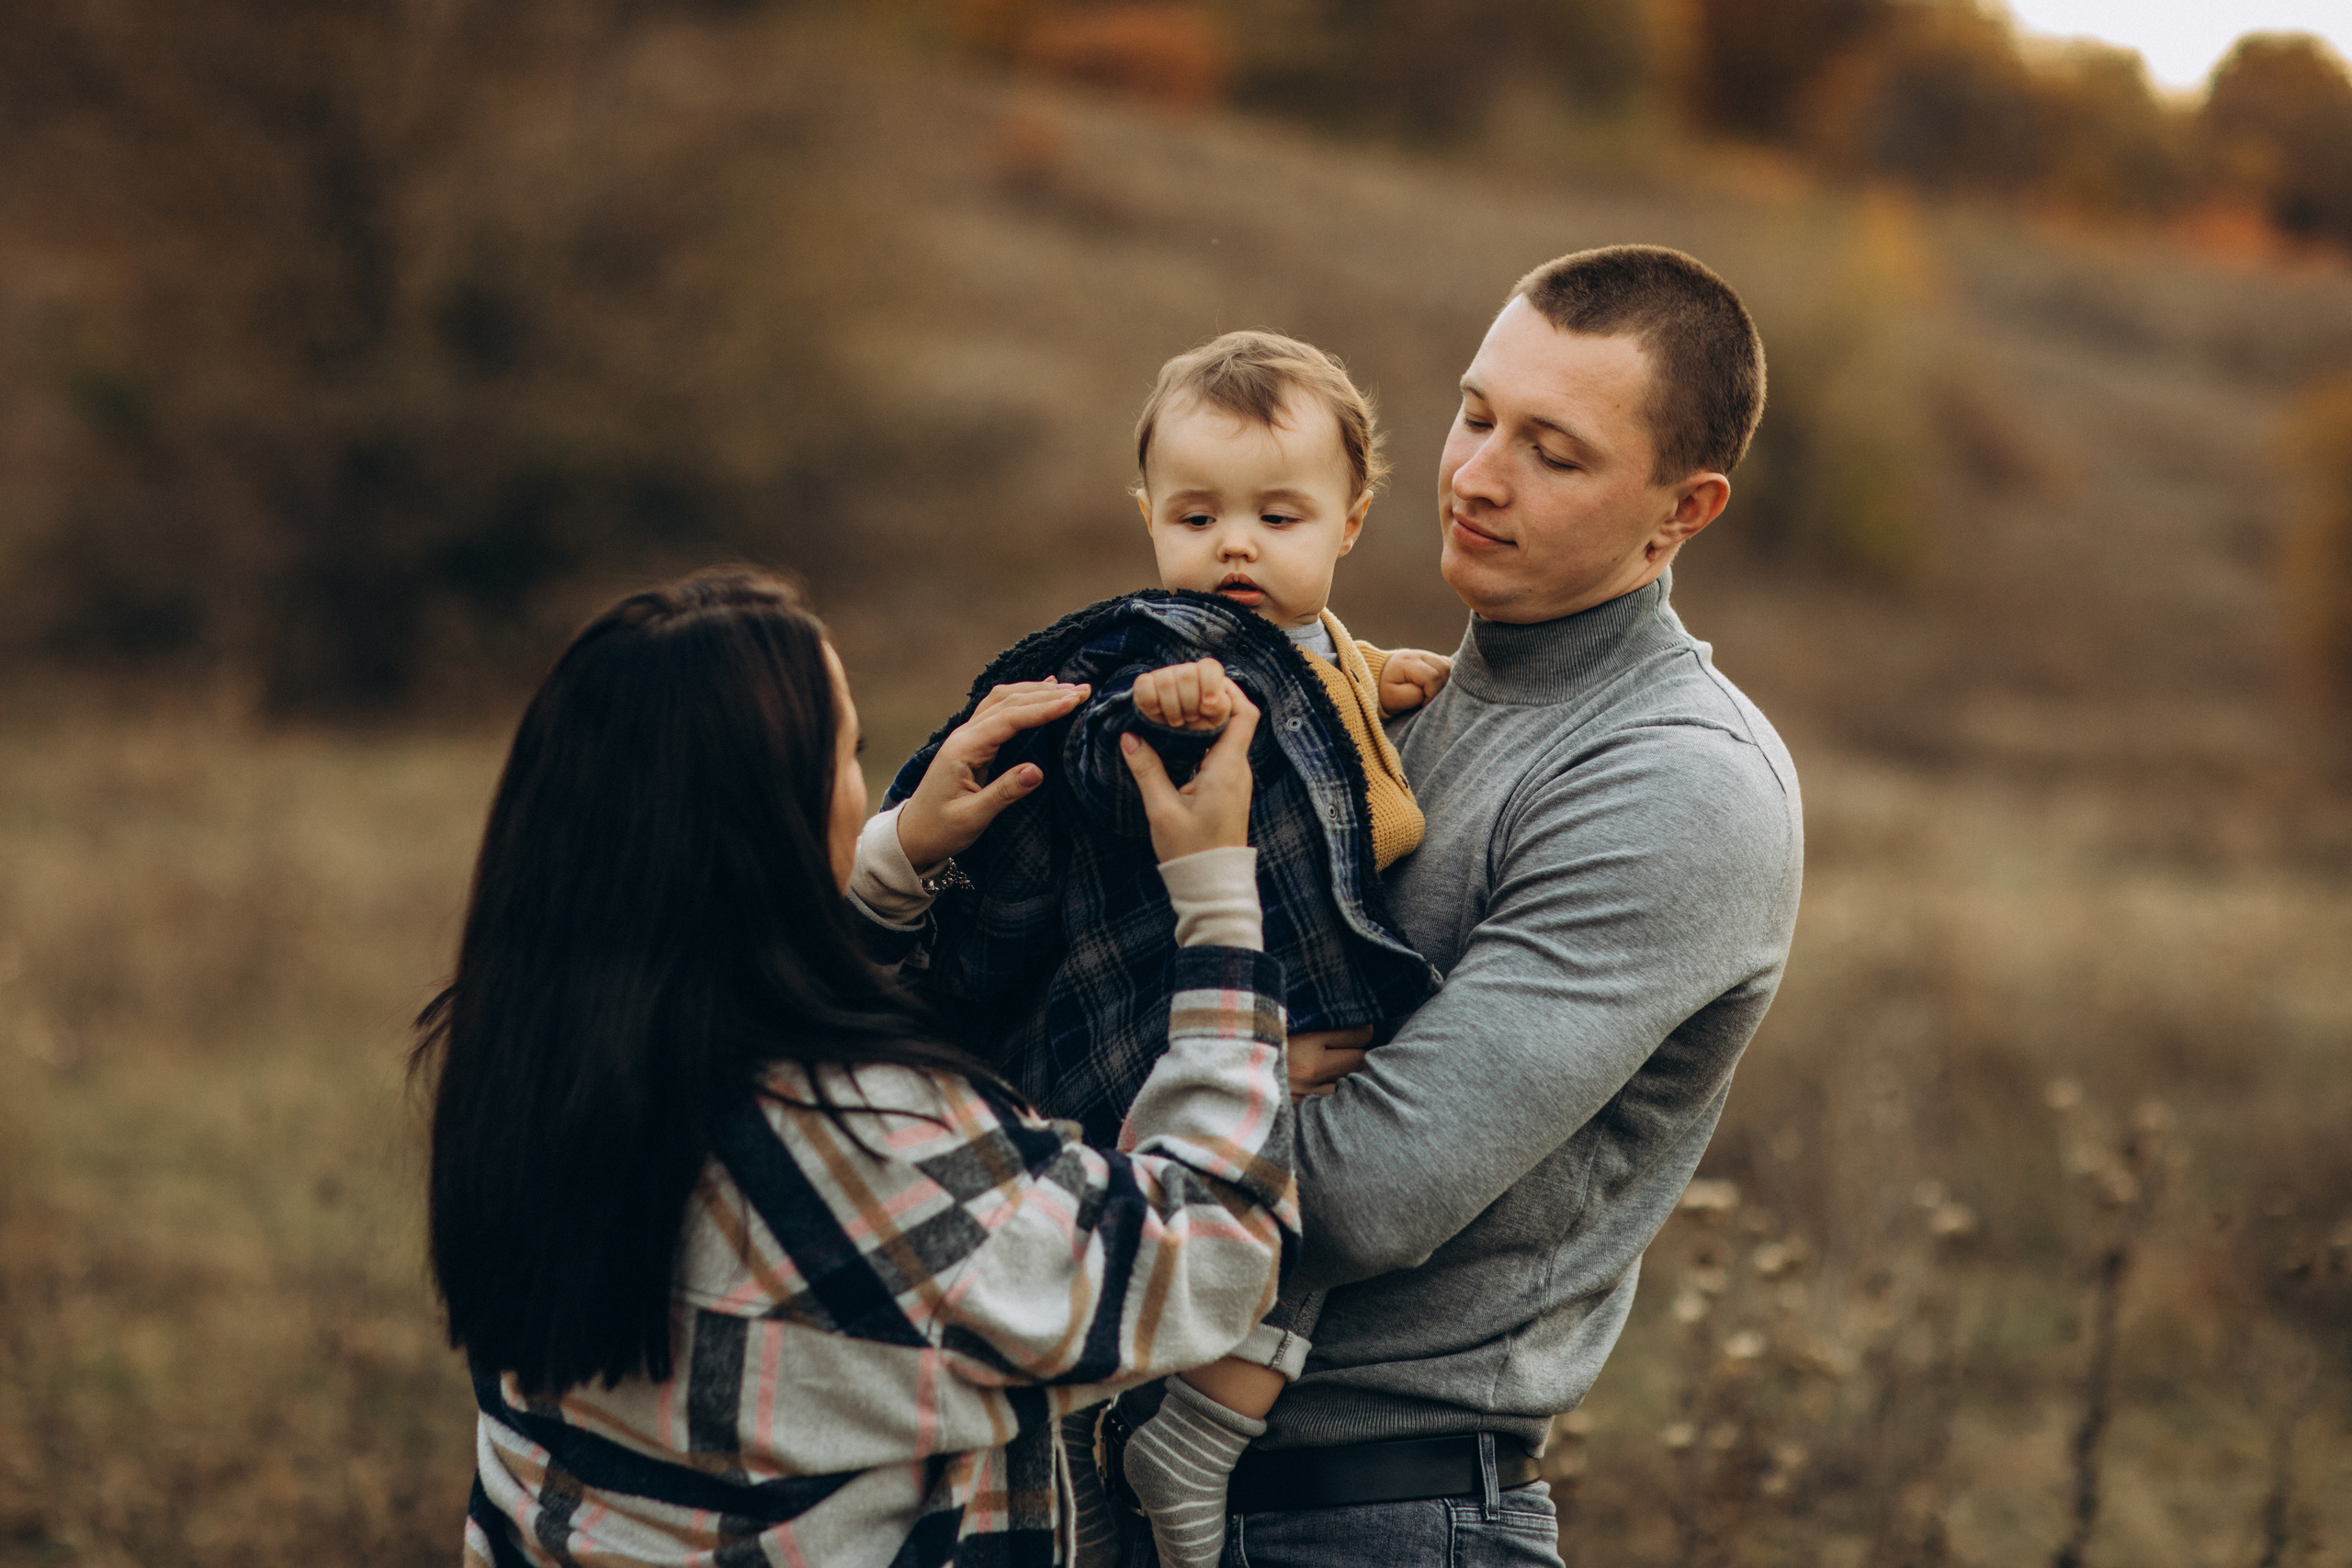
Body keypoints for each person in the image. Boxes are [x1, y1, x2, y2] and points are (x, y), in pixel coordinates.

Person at [416, 566, 1304, 1568]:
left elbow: (717, 990)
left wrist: (889, 864)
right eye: (849, 758)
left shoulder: (532, 1070)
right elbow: (1214, 1247)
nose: (861, 790)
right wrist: (1220, 902)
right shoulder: (862, 1140)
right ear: (768, 822)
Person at [1187, 246, 1804, 1567]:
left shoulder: (1679, 781)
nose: (1473, 476)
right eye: (1476, 413)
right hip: (1176, 1478)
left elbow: (1363, 1195)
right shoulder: (1387, 706)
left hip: (1376, 1518)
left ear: (1683, 507)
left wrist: (1090, 1094)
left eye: (1554, 452)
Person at [846, 331, 1455, 1565]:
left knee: (1322, 1203)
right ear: (1148, 520)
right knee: (1258, 1198)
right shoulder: (1166, 651)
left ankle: (1200, 1429)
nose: (1235, 543)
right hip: (1188, 1026)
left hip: (1301, 1018)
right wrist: (1158, 710)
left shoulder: (1332, 649)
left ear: (1349, 523)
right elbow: (1098, 734)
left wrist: (1385, 679)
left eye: (1278, 515)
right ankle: (1175, 1435)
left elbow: (1325, 685)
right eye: (1196, 513)